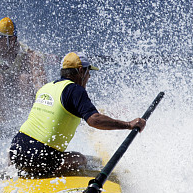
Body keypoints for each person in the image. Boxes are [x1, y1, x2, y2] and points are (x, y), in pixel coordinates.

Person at [9, 52, 146, 178]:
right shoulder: (76, 90)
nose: (89, 76)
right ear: (81, 71)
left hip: (16, 150)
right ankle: (47, 175)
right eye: (88, 72)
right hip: (41, 156)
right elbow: (94, 120)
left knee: (35, 156)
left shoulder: (46, 87)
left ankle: (22, 170)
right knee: (80, 159)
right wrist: (128, 124)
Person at [0, 17, 47, 115]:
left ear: (12, 40)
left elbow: (40, 84)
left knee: (24, 79)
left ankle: (25, 116)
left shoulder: (27, 55)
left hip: (20, 91)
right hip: (0, 92)